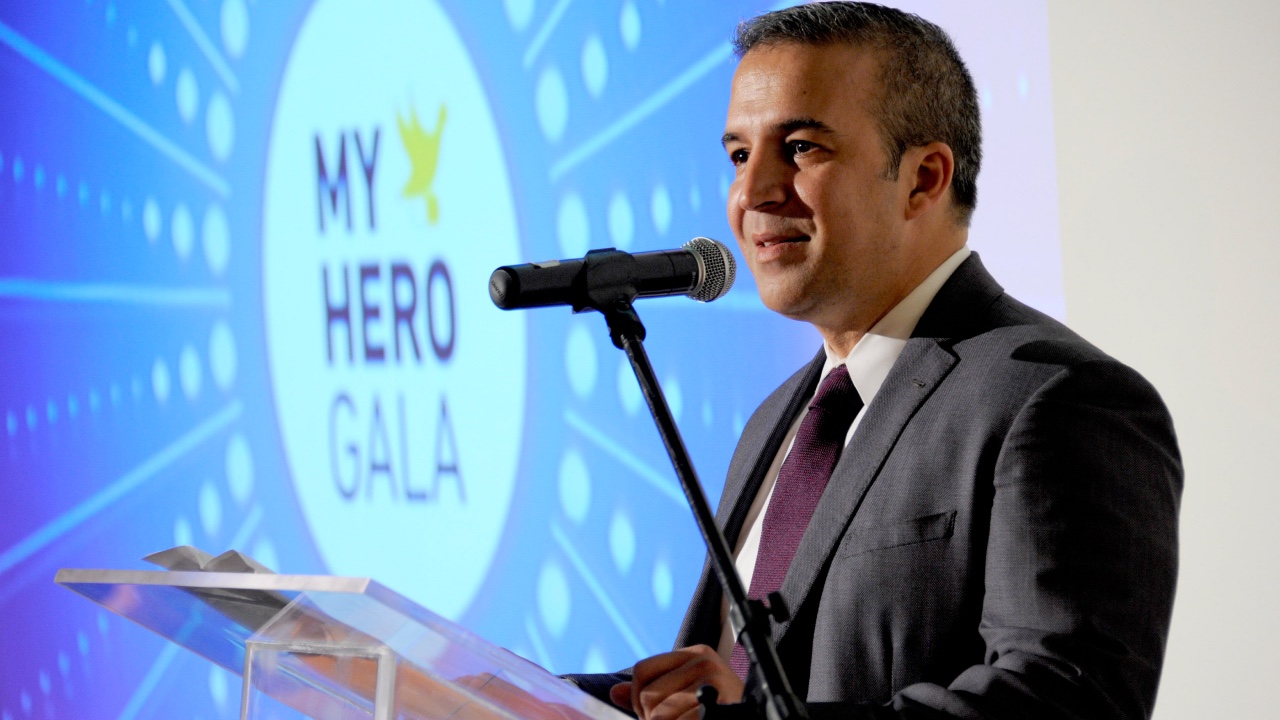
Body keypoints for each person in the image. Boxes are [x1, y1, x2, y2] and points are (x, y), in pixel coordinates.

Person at [568, 4, 1181, 719]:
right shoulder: (776, 420)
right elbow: (742, 686)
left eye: (800, 147)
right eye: (739, 154)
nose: (752, 191)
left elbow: (1065, 701)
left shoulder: (1057, 399)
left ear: (924, 178)